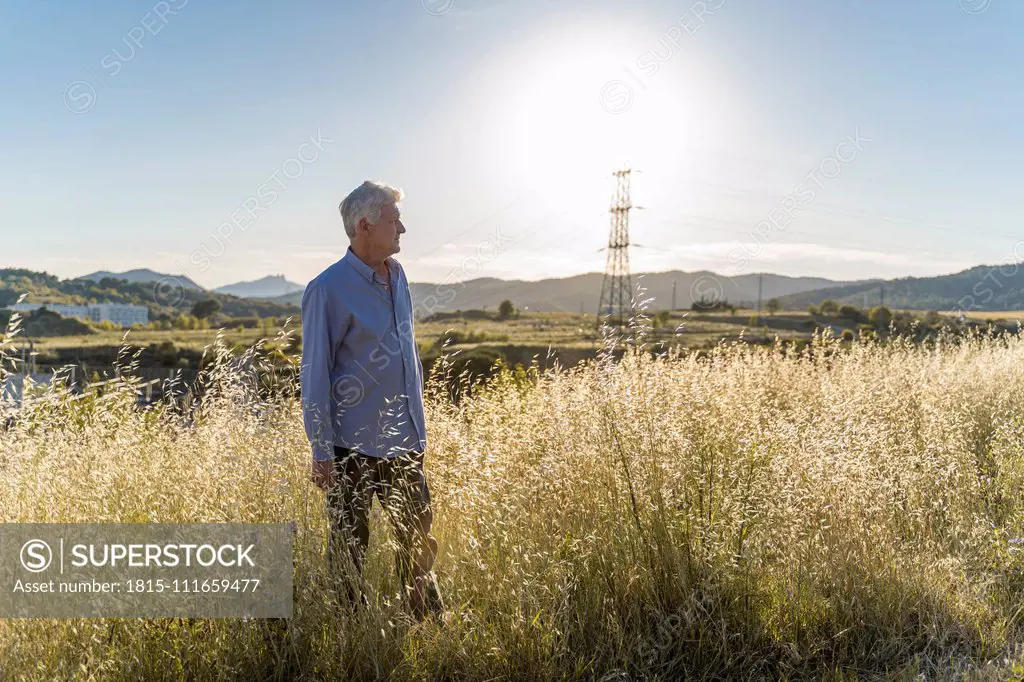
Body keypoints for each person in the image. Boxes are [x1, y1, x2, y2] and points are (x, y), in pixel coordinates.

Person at [300, 180, 442, 620]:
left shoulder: (398, 277)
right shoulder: (327, 289)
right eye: (393, 220)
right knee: (348, 550)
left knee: (419, 538)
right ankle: (350, 636)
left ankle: (425, 622)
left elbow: (406, 359)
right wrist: (321, 449)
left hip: (403, 440)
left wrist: (418, 432)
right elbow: (315, 375)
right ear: (365, 226)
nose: (402, 228)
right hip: (350, 448)